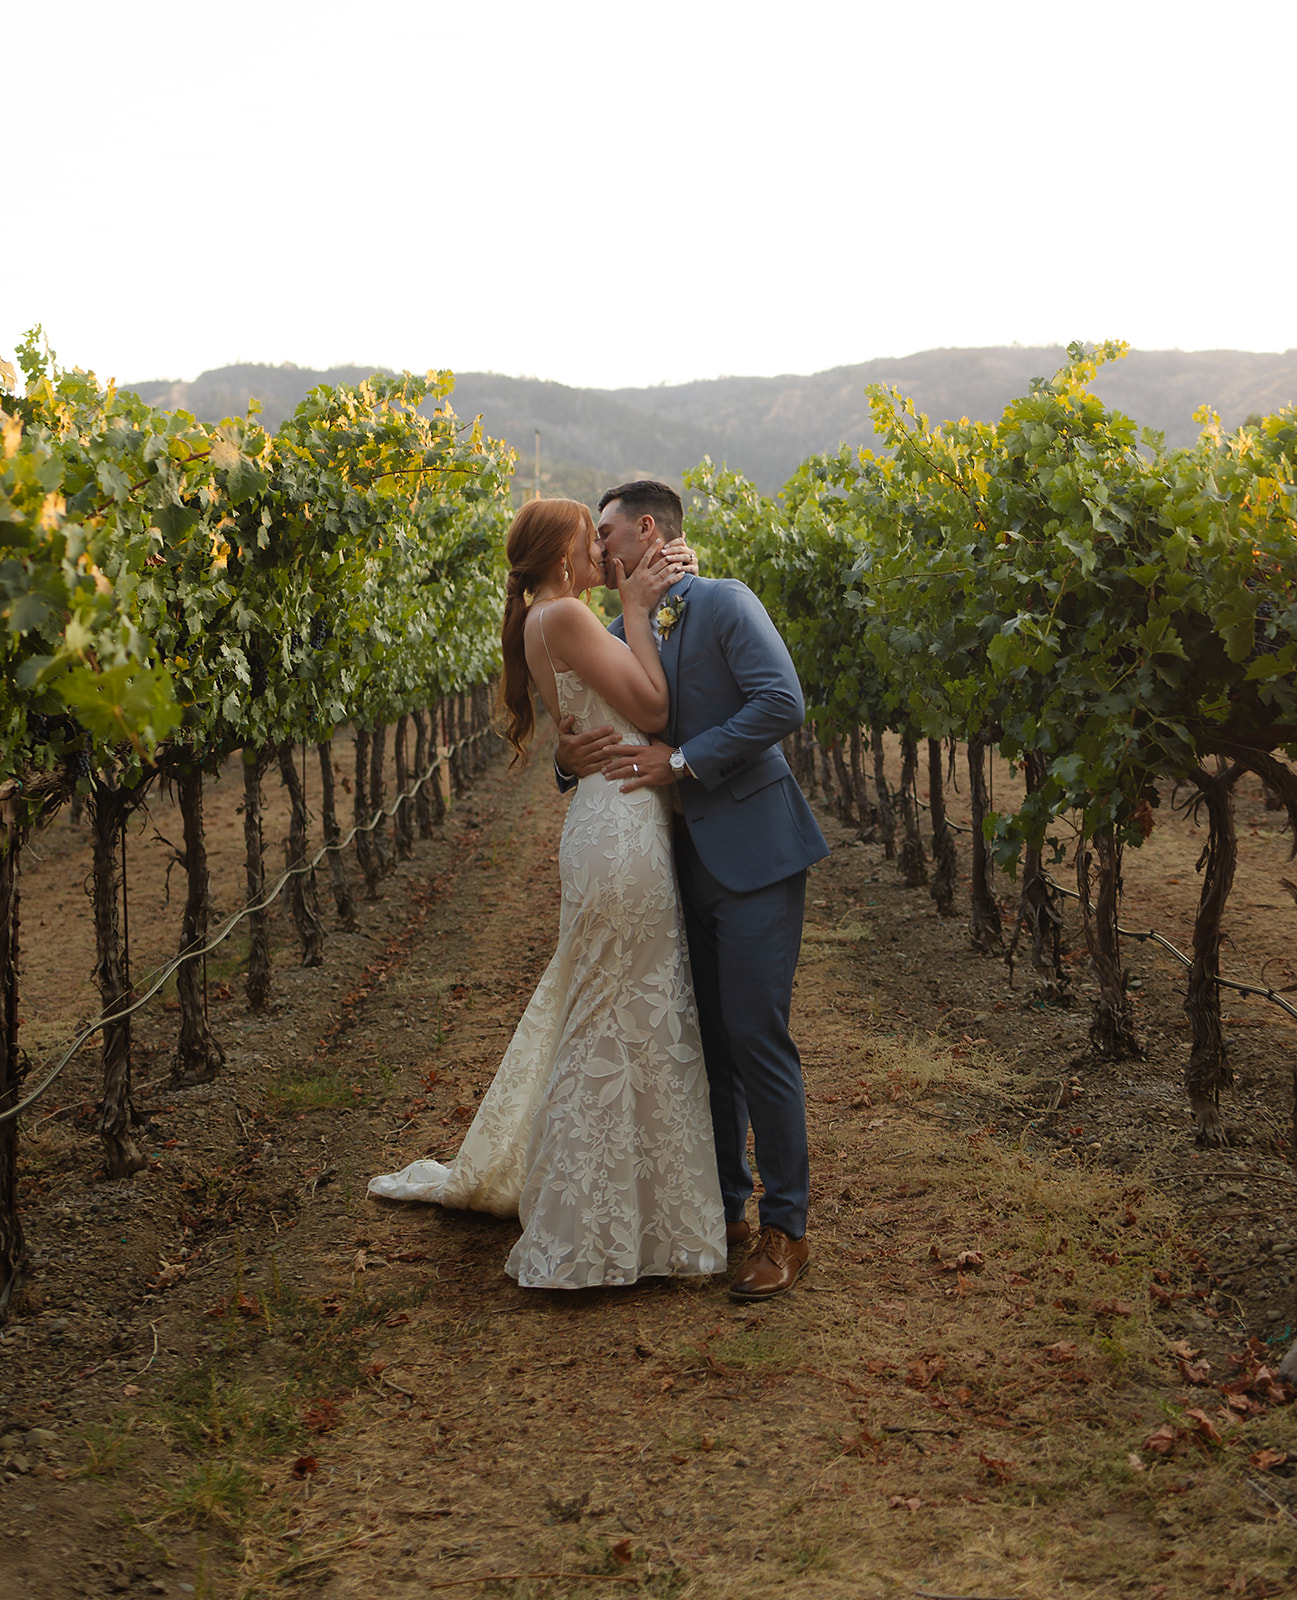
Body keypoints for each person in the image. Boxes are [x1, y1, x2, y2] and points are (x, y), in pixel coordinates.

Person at [369, 497, 726, 1290]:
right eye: (587, 539)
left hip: (614, 818)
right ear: (563, 556)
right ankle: (589, 1233)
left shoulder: (549, 616)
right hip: (621, 828)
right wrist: (636, 608)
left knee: (629, 1015)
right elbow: (653, 707)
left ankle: (634, 1221)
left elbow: (600, 720)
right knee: (614, 1020)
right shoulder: (564, 616)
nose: (602, 549)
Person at [555, 480, 828, 1302]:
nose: (598, 550)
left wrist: (677, 761)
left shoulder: (722, 601)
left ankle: (789, 1228)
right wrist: (574, 761)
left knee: (755, 1035)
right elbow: (581, 744)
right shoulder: (612, 629)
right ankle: (724, 1210)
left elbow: (781, 702)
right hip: (671, 862)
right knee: (703, 1041)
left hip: (751, 851)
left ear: (646, 532)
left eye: (606, 534)